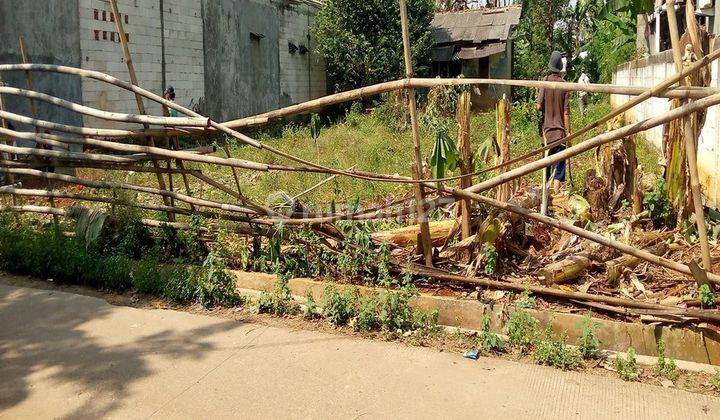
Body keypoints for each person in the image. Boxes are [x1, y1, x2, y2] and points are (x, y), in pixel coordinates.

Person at [537, 50, 571, 196]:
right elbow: (566, 113)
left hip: (547, 133)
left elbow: (538, 106)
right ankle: (556, 194)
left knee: (547, 166)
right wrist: (569, 133)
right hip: (560, 133)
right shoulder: (564, 85)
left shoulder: (545, 83)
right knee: (559, 168)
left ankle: (545, 195)